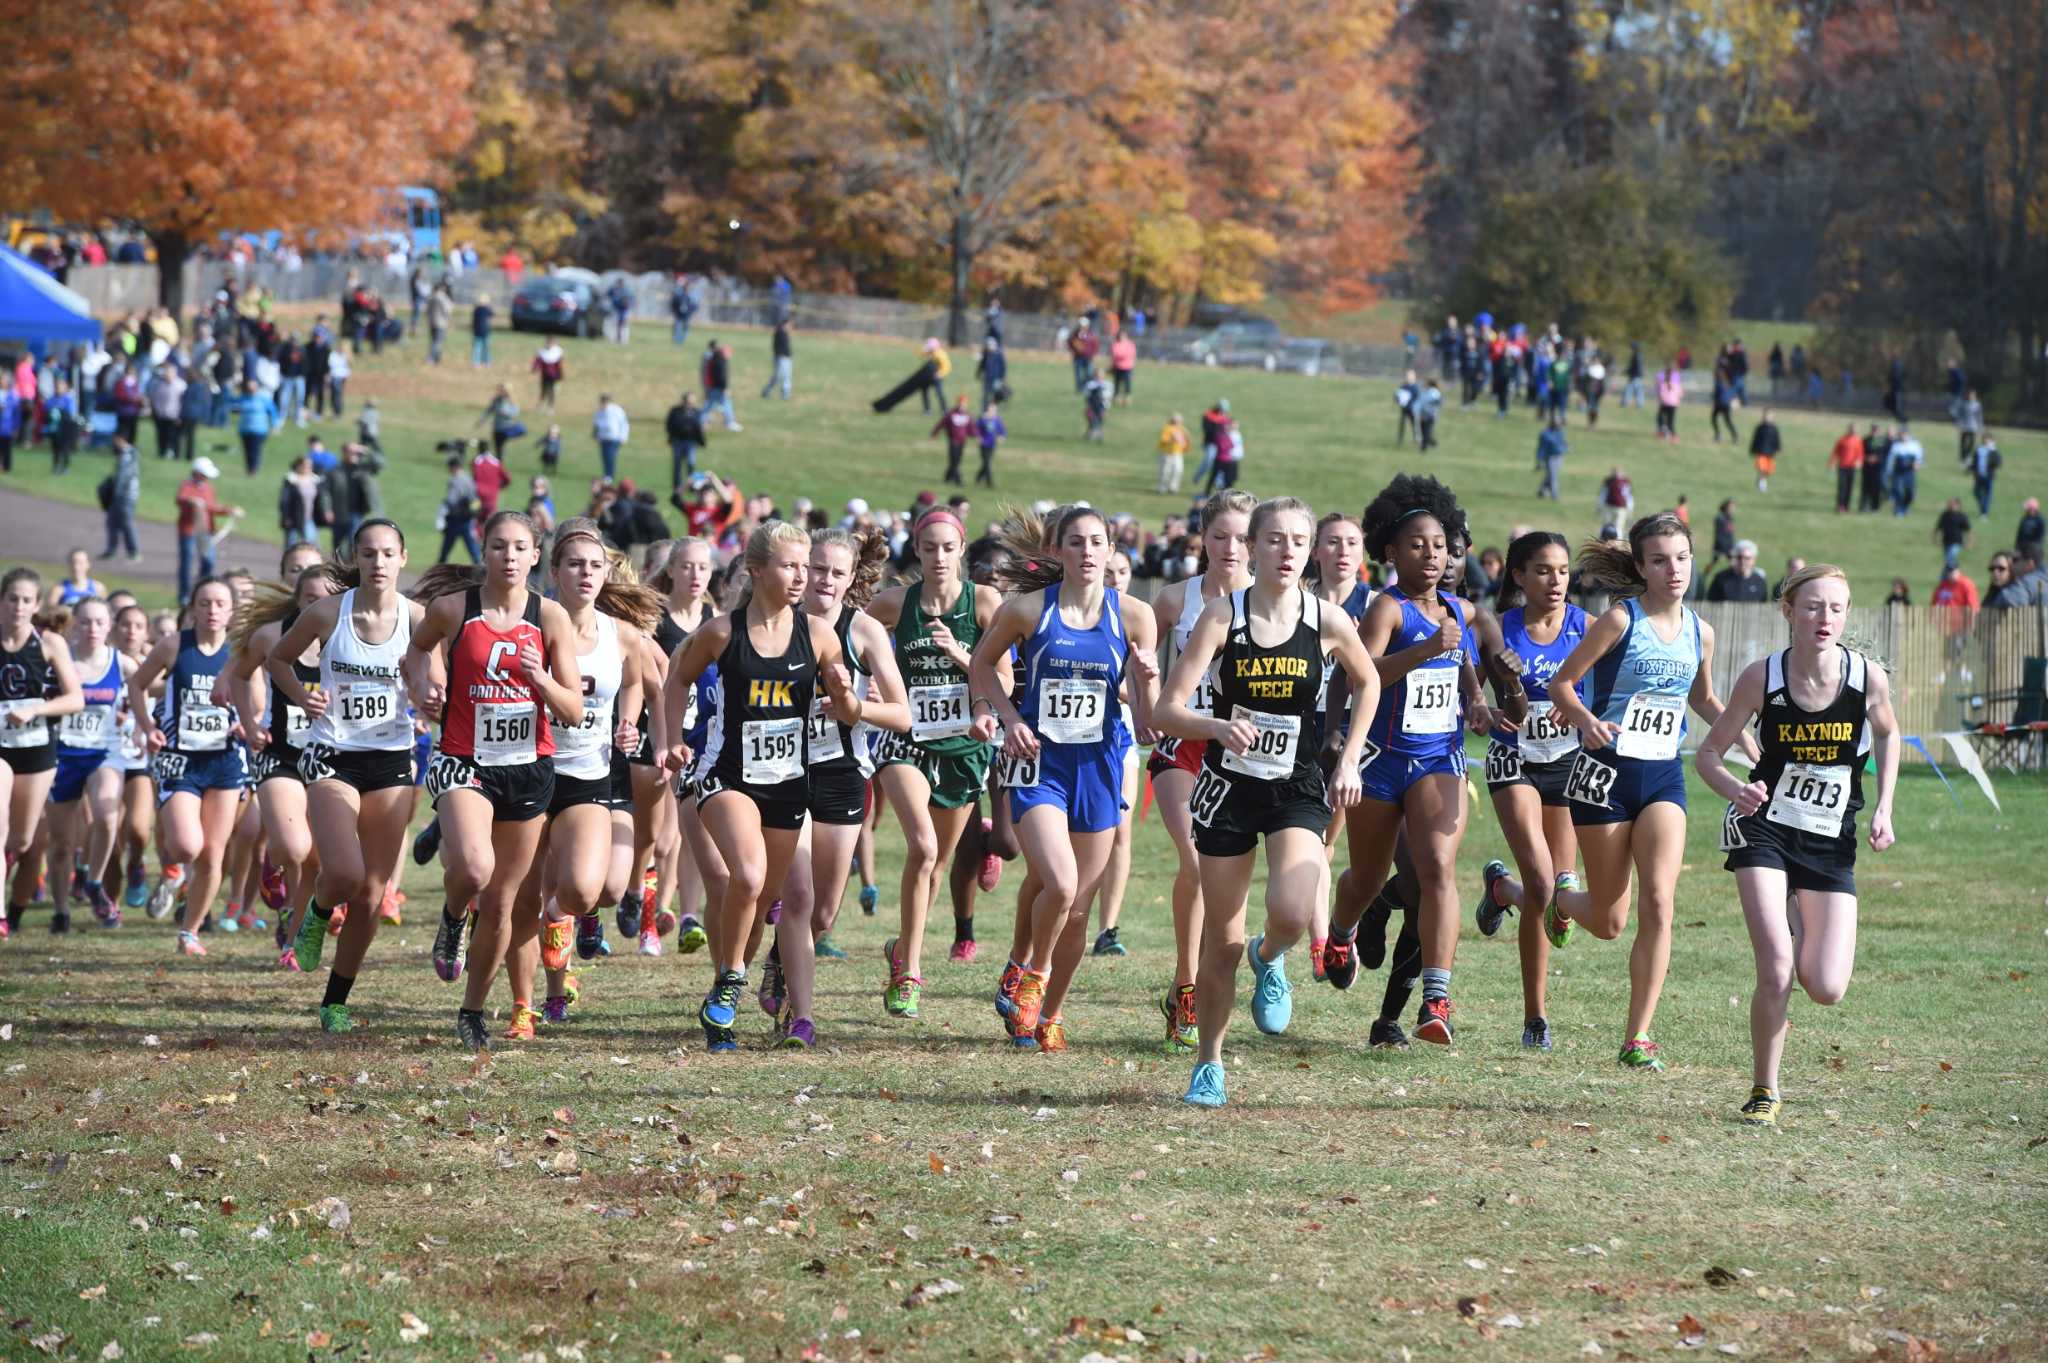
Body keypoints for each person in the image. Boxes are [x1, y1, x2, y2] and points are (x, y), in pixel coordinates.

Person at [1151, 499, 1376, 1107]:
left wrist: (1350, 758)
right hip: (1229, 787)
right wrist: (1215, 727)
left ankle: (1269, 956)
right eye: (1273, 540)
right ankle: (1210, 1064)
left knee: (1295, 910)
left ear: (1312, 551)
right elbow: (1165, 709)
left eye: (1299, 541)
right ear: (1253, 546)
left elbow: (1369, 679)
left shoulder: (1327, 620)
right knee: (1219, 939)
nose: (1287, 551)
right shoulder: (1224, 616)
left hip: (1296, 785)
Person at [1539, 514, 1750, 1070]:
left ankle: (1637, 1037)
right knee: (1609, 921)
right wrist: (1585, 719)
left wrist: (1747, 742)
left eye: (1681, 557)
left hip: (1661, 777)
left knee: (1659, 900)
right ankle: (1560, 898)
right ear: (1640, 567)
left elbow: (1703, 699)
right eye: (1659, 560)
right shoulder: (1617, 621)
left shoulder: (1700, 631)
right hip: (1603, 778)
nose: (1673, 569)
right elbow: (1561, 684)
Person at [1696, 565, 1899, 1126]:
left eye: (1836, 608)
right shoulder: (1763, 677)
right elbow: (1708, 755)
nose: (1824, 618)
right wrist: (1738, 790)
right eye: (1812, 607)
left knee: (1827, 987)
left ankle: (1794, 908)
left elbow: (1887, 732)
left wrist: (1883, 806)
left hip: (1831, 840)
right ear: (1788, 612)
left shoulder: (1867, 679)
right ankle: (1765, 1087)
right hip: (1765, 829)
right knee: (1777, 967)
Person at [1322, 476, 1513, 1047]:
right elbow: (1363, 674)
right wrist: (1428, 648)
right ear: (1390, 553)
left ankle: (1437, 997)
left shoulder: (1462, 608)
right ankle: (1340, 930)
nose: (1430, 556)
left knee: (1436, 868)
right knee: (1369, 876)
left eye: (1438, 546)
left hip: (1438, 757)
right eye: (1416, 546)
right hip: (1381, 761)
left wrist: (1477, 699)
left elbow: (1461, 664)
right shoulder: (1388, 609)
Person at [659, 521, 861, 1051]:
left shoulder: (817, 635)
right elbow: (677, 678)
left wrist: (844, 696)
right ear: (756, 570)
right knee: (746, 878)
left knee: (763, 898)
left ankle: (724, 992)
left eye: (805, 566)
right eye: (790, 566)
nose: (801, 577)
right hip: (725, 776)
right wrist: (672, 739)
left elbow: (849, 711)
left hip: (788, 782)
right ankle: (730, 980)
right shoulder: (722, 632)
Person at [969, 506, 1161, 1052]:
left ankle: (1049, 1011)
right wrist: (1008, 719)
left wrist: (1146, 683)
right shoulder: (1028, 610)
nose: (1087, 552)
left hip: (1100, 766)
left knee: (1078, 914)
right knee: (1061, 882)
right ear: (1058, 552)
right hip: (1042, 766)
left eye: (1096, 541)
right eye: (1075, 542)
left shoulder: (1135, 616)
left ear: (1110, 549)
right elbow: (983, 666)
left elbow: (1146, 723)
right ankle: (1031, 974)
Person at [407, 511, 588, 1050]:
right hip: (465, 759)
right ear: (483, 553)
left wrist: (539, 679)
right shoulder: (451, 609)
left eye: (519, 548)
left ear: (535, 556)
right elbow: (416, 651)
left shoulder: (550, 618)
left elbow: (574, 709)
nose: (508, 556)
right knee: (473, 867)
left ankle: (473, 1010)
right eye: (497, 546)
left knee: (506, 904)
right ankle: (452, 914)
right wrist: (426, 685)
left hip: (528, 768)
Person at [757, 528, 911, 1045]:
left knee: (823, 912)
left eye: (835, 573)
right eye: (814, 568)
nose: (822, 580)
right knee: (797, 897)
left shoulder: (864, 631)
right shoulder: (776, 623)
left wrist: (853, 708)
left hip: (843, 773)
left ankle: (779, 958)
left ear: (851, 580)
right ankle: (802, 1018)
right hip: (785, 771)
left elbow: (902, 713)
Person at [864, 509, 1004, 1018]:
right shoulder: (896, 604)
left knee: (937, 865)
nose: (939, 557)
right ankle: (912, 972)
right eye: (929, 548)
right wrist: (867, 681)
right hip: (907, 742)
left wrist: (964, 655)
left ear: (961, 549)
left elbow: (1004, 682)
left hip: (964, 749)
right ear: (917, 551)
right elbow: (844, 631)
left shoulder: (984, 603)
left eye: (948, 547)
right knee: (922, 848)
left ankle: (901, 948)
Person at [522, 521, 660, 1031]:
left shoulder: (620, 633)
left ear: (607, 573)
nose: (585, 573)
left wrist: (629, 719)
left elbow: (638, 681)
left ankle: (558, 924)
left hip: (593, 772)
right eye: (574, 564)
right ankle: (553, 991)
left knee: (599, 890)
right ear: (553, 570)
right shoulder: (530, 623)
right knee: (550, 886)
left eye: (594, 565)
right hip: (534, 768)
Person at [1141, 490, 1255, 1050]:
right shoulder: (1173, 600)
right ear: (1202, 540)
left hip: (1245, 750)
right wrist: (1142, 700)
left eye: (1241, 537)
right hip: (1182, 745)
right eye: (1220, 536)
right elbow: (1134, 664)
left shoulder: (1275, 603)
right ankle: (1186, 984)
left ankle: (1212, 976)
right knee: (1193, 856)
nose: (1230, 547)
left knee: (1222, 876)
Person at [1473, 532, 1586, 1051]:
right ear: (1518, 576)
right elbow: (1468, 689)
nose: (1555, 580)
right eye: (1543, 570)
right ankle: (1535, 1018)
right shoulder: (1502, 630)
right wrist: (1483, 709)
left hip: (1567, 764)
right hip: (1513, 760)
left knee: (1561, 896)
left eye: (1562, 570)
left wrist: (1581, 709)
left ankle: (1500, 890)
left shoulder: (1585, 626)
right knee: (1543, 885)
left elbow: (1608, 692)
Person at [126, 576, 243, 955]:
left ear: (231, 610)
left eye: (220, 604)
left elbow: (256, 698)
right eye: (205, 603)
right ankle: (173, 870)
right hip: (181, 760)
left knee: (213, 853)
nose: (212, 611)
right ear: (193, 607)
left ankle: (189, 932)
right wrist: (147, 727)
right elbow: (137, 685)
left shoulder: (240, 651)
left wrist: (249, 723)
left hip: (224, 761)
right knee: (187, 845)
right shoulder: (175, 644)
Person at [0, 570, 86, 939]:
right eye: (11, 598)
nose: (18, 606)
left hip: (36, 750)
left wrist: (35, 710)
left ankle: (12, 896)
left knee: (20, 841)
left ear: (36, 606)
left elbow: (75, 699)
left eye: (25, 600)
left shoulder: (49, 643)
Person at [46, 597, 133, 932]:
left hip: (104, 753)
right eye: (84, 622)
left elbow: (150, 682)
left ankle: (94, 883)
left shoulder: (119, 661)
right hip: (62, 754)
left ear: (109, 625)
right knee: (60, 845)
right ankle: (60, 910)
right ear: (73, 625)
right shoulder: (58, 658)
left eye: (99, 622)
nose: (92, 629)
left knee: (107, 817)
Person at [176, 459, 241, 606]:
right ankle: (184, 596)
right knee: (187, 563)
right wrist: (192, 501)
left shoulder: (208, 488)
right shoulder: (187, 485)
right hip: (189, 530)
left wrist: (230, 510)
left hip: (205, 532)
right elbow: (181, 499)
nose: (207, 478)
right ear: (197, 473)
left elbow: (211, 507)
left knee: (208, 562)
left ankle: (202, 589)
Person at [1886, 422, 1924, 515]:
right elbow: (1891, 459)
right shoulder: (1896, 445)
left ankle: (1905, 507)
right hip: (1898, 471)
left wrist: (1918, 463)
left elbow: (1920, 457)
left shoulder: (1915, 445)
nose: (1903, 436)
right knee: (1898, 490)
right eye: (1901, 434)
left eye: (1904, 434)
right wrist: (1889, 471)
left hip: (1909, 471)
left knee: (1910, 493)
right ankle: (1898, 509)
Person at [592, 392, 629, 483]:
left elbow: (624, 424)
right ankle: (606, 474)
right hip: (603, 438)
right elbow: (596, 424)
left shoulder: (617, 410)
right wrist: (595, 434)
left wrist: (623, 437)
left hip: (614, 437)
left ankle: (610, 475)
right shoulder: (599, 411)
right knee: (604, 456)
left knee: (611, 456)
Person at [702, 340, 740, 430]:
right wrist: (725, 388)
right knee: (723, 405)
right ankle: (729, 423)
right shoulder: (720, 362)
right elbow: (722, 377)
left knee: (711, 405)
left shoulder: (716, 359)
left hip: (714, 387)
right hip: (718, 388)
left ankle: (701, 420)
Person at [1828, 423, 1863, 514]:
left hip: (1852, 467)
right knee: (1842, 487)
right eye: (1851, 429)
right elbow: (1835, 452)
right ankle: (1840, 506)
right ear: (1848, 429)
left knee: (1849, 488)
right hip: (1842, 467)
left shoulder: (1858, 440)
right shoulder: (1842, 440)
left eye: (1855, 429)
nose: (1853, 430)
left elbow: (1860, 454)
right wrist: (1832, 463)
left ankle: (1846, 507)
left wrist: (1859, 462)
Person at [1934, 498, 1973, 572]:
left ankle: (1945, 575)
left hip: (1956, 542)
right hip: (1946, 542)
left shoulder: (1962, 516)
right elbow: (1938, 527)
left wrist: (1969, 542)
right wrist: (1935, 537)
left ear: (1958, 505)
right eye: (1949, 504)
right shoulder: (1945, 515)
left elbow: (1968, 531)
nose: (1950, 505)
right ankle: (1954, 574)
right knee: (1949, 560)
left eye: (1952, 504)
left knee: (1950, 558)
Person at [1155, 412, 1189, 494]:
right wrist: (1172, 439)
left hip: (1177, 453)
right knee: (1165, 471)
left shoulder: (1181, 429)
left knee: (1178, 470)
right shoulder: (1167, 428)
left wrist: (1185, 443)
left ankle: (1173, 487)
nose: (1178, 422)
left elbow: (1185, 440)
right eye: (1176, 420)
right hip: (1166, 453)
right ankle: (1162, 487)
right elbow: (1163, 440)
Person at [1968, 435, 2001, 519]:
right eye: (1985, 440)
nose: (1986, 441)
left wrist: (1993, 452)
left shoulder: (1994, 451)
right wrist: (1971, 469)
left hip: (1989, 476)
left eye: (1988, 440)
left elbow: (1998, 463)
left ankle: (1984, 513)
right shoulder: (1979, 450)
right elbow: (1974, 461)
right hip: (1979, 476)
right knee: (1976, 492)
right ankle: (1984, 505)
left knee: (1988, 494)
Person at [1748, 407, 1781, 492]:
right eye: (1766, 416)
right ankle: (1762, 485)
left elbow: (1777, 439)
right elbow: (1755, 439)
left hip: (1770, 452)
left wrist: (1778, 449)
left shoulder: (1774, 429)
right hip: (1761, 451)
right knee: (1761, 468)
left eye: (1769, 416)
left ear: (1773, 417)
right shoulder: (1759, 428)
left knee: (1769, 470)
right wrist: (1752, 449)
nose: (1767, 417)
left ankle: (1760, 480)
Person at [973, 403, 1005, 488]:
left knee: (986, 463)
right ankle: (989, 482)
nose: (992, 412)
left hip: (992, 444)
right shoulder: (982, 419)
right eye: (991, 410)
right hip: (983, 444)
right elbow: (976, 429)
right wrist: (978, 437)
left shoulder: (997, 420)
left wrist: (1001, 437)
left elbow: (1002, 431)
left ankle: (978, 477)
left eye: (994, 410)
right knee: (987, 463)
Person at [760, 317, 793, 400]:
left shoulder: (784, 332)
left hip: (786, 358)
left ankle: (785, 395)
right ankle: (766, 391)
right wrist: (780, 355)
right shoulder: (779, 332)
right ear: (785, 324)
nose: (790, 326)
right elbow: (776, 346)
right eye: (789, 324)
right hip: (781, 358)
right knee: (777, 377)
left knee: (786, 377)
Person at [532, 338, 565, 413]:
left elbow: (560, 364)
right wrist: (535, 369)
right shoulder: (543, 351)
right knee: (543, 390)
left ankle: (550, 407)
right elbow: (538, 361)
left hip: (554, 375)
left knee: (552, 391)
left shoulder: (557, 352)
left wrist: (561, 374)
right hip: (544, 374)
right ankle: (540, 406)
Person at [975, 337, 1007, 410]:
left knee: (995, 395)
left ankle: (993, 411)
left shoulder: (998, 354)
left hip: (996, 379)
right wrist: (978, 373)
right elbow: (982, 365)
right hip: (987, 378)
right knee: (985, 396)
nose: (989, 348)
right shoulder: (986, 354)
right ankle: (984, 410)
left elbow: (1003, 367)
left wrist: (1002, 378)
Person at [1654, 360, 1682, 443]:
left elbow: (1660, 392)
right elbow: (1680, 392)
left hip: (1665, 403)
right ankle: (1672, 435)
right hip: (1673, 404)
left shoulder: (1662, 379)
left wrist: (1660, 398)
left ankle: (1663, 433)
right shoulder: (1676, 378)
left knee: (1660, 419)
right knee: (1670, 421)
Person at [1108, 331, 1137, 404]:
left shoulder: (1130, 344)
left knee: (1127, 383)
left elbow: (1131, 353)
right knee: (1117, 382)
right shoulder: (1115, 344)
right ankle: (1116, 396)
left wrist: (1121, 355)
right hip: (1117, 366)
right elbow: (1114, 353)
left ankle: (1127, 397)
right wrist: (1122, 355)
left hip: (1127, 367)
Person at [471, 294, 494, 368]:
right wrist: (489, 306)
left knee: (477, 348)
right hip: (485, 332)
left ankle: (476, 362)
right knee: (486, 348)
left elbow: (473, 321)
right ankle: (487, 362)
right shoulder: (486, 309)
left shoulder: (476, 310)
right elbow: (492, 314)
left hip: (477, 332)